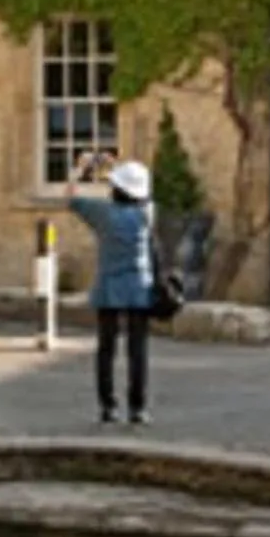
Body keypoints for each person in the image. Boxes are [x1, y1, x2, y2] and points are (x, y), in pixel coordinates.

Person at [65, 149, 158, 427]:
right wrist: (116, 169)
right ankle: (138, 408)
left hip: (109, 286)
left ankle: (108, 407)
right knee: (137, 350)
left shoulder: (103, 213)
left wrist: (81, 170)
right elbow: (141, 193)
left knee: (106, 348)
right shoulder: (146, 214)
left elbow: (71, 198)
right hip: (139, 285)